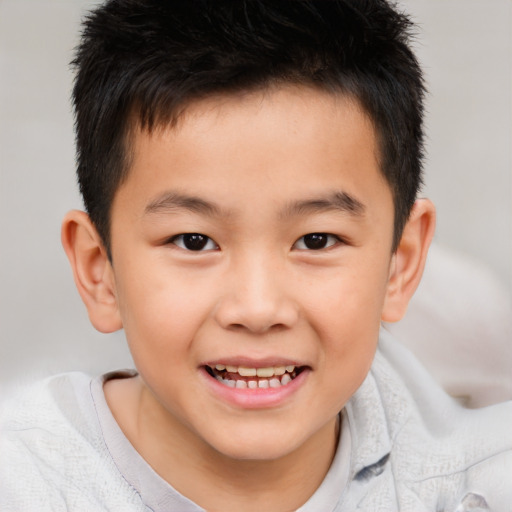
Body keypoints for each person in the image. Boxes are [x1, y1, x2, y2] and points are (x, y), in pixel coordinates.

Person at [1, 1, 510, 510]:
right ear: (99, 271)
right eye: (194, 241)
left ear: (400, 263)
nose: (258, 308)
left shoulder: (476, 486)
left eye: (316, 240)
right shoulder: (23, 483)